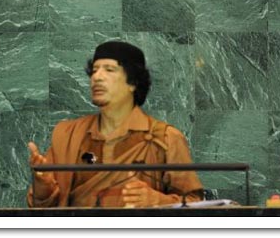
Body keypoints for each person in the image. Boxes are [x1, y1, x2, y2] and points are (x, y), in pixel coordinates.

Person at [27, 40, 203, 208]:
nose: (97, 77)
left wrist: (158, 201)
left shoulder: (165, 138)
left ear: (132, 83)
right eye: (94, 70)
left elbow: (195, 205)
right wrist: (43, 184)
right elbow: (40, 206)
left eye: (109, 70)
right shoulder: (68, 135)